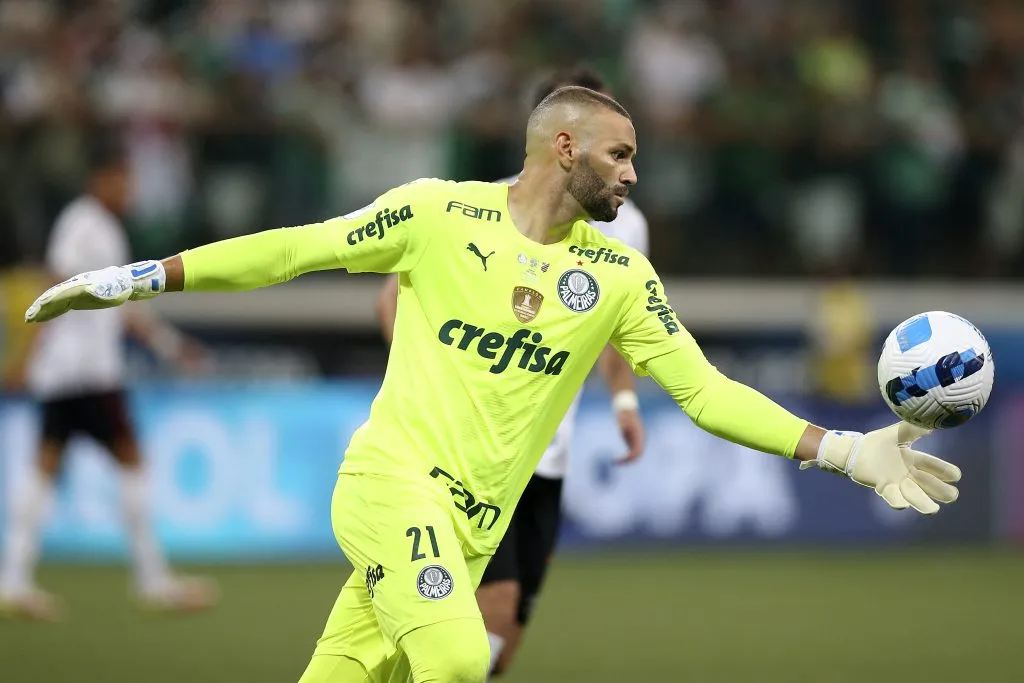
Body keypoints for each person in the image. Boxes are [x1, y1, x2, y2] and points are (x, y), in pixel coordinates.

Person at [24, 87, 962, 682]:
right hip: (391, 488)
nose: (635, 174)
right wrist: (143, 277)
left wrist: (847, 451)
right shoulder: (435, 214)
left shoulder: (620, 277)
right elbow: (292, 251)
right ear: (564, 148)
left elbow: (707, 391)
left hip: (473, 531)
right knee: (458, 657)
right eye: (620, 155)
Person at [376, 65, 648, 679]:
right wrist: (432, 379)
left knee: (511, 627)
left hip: (550, 452)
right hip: (476, 452)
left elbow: (622, 327)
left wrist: (624, 402)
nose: (622, 162)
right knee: (491, 610)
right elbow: (390, 300)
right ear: (561, 138)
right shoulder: (487, 205)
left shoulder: (625, 224)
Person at [1, 137, 218, 621]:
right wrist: (25, 353)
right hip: (87, 371)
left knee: (44, 467)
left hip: (67, 373)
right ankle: (152, 580)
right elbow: (54, 286)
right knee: (131, 462)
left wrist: (168, 345)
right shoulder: (84, 224)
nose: (129, 190)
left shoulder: (100, 227)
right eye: (123, 180)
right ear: (100, 179)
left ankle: (13, 581)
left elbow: (122, 307)